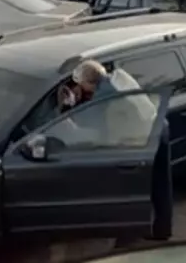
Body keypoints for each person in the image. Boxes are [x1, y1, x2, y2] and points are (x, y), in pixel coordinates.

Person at [71, 60, 173, 243]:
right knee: (160, 185)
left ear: (89, 83)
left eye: (81, 84)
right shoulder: (117, 77)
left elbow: (93, 126)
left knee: (129, 190)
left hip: (142, 139)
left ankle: (127, 239)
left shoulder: (105, 96)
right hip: (157, 127)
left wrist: (71, 110)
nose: (80, 87)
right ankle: (162, 230)